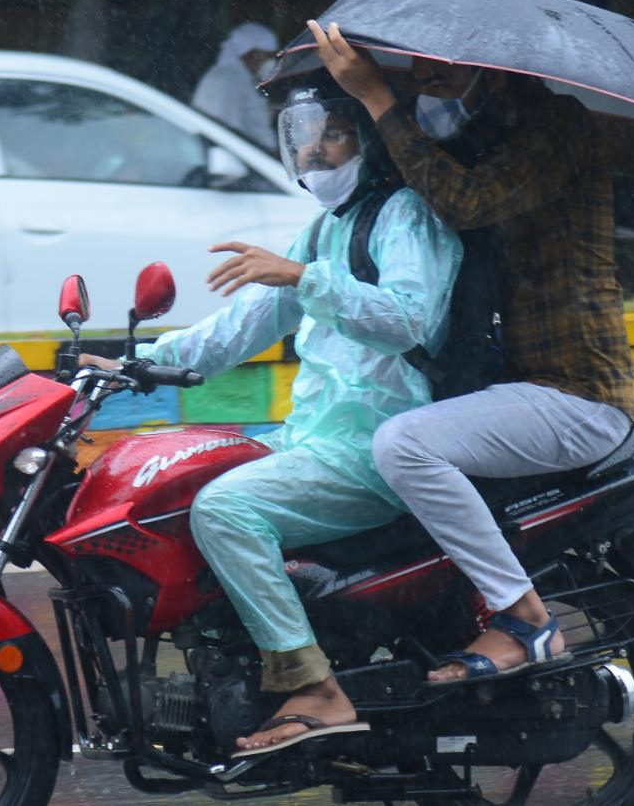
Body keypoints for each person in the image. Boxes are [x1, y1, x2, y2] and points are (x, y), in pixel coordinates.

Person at [82, 82, 461, 752]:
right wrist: (131, 365)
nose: (314, 149)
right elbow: (236, 330)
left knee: (225, 511)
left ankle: (314, 687)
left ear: (372, 139)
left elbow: (407, 319)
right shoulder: (325, 228)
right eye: (304, 134)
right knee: (184, 480)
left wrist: (302, 277)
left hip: (376, 448)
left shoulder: (407, 215)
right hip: (312, 439)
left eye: (334, 133)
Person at [307, 19, 634, 683]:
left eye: (444, 64)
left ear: (495, 63)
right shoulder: (475, 134)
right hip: (510, 392)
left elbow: (466, 200)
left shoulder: (552, 128)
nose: (428, 78)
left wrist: (377, 100)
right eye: (417, 65)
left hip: (573, 394)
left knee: (404, 446)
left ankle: (526, 621)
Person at [191, 22, 279, 151]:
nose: (272, 63)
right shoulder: (228, 80)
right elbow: (232, 131)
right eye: (268, 56)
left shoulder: (238, 77)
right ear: (252, 54)